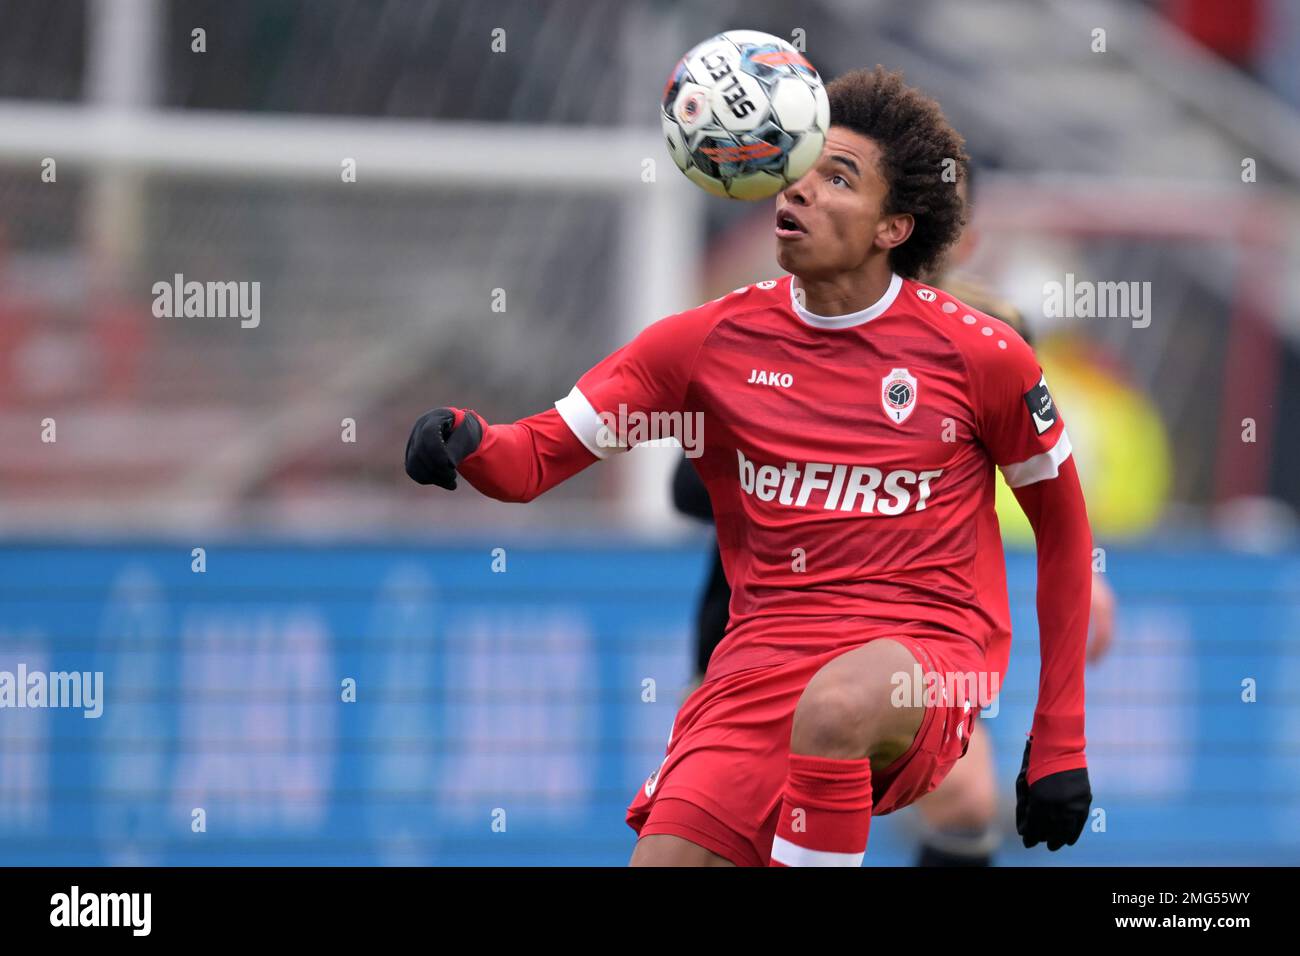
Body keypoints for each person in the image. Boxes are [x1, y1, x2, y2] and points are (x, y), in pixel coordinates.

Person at [404, 65, 1094, 867]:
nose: (798, 191)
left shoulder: (982, 354)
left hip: (926, 659)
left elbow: (1065, 532)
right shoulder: (701, 343)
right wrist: (464, 438)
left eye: (837, 177)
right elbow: (533, 458)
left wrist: (1058, 741)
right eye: (799, 170)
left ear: (892, 228)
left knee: (840, 710)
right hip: (757, 665)